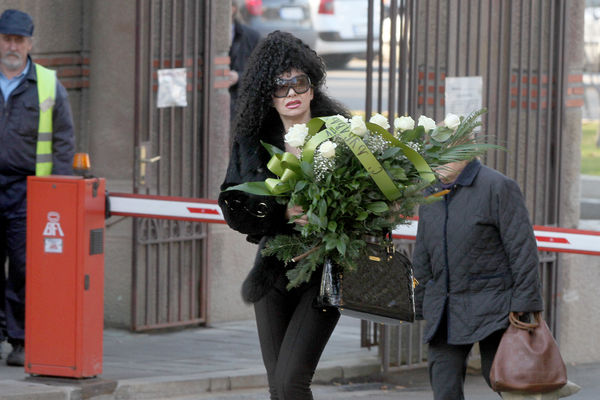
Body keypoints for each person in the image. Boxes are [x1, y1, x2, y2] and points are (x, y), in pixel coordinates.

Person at [218, 30, 350, 400]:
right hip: (274, 270)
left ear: (312, 86)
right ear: (268, 93)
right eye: (280, 86)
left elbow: (371, 202)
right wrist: (281, 213)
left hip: (324, 274)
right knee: (278, 387)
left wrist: (328, 217)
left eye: (298, 83)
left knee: (292, 381)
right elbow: (233, 205)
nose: (291, 94)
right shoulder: (252, 139)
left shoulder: (340, 131)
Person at [412, 157, 544, 399]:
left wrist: (525, 303)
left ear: (467, 153)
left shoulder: (498, 186)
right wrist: (419, 302)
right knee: (444, 386)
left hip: (494, 306)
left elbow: (522, 249)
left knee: (506, 381)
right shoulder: (431, 193)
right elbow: (422, 254)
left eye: (448, 153)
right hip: (446, 308)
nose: (439, 161)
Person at [0, 9, 75, 367]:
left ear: (30, 43)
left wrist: (56, 191)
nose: (12, 46)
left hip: (28, 190)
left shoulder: (47, 83)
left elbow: (63, 141)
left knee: (23, 268)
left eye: (19, 40)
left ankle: (19, 340)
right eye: (7, 38)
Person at [228, 0, 261, 122]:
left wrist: (238, 77)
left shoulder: (252, 37)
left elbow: (261, 72)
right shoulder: (205, 35)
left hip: (242, 105)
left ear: (233, 9)